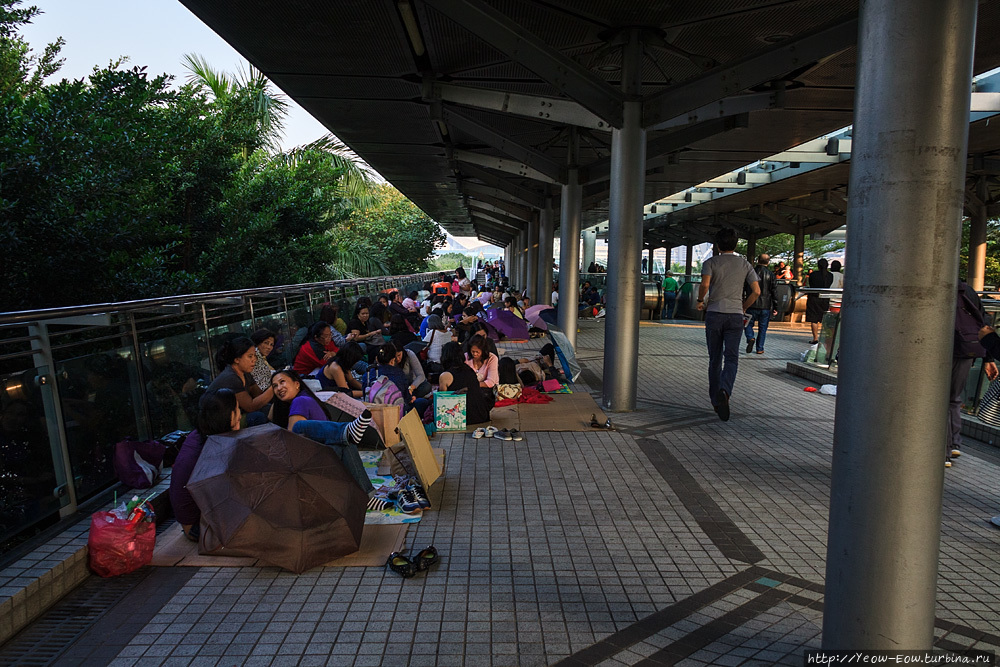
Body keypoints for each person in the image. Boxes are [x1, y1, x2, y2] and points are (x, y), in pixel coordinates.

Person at [269, 370, 378, 498]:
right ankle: (368, 494)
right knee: (345, 443)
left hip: (315, 463)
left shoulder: (300, 401)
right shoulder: (303, 399)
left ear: (297, 384)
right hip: (327, 458)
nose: (279, 388)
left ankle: (346, 432)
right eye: (275, 386)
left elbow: (293, 442)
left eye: (282, 382)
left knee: (298, 427)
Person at [697, 228, 760, 421]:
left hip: (715, 313)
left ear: (717, 245)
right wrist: (742, 307)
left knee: (715, 359)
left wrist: (701, 300)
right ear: (736, 244)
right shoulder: (745, 264)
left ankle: (716, 401)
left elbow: (705, 285)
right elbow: (756, 291)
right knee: (731, 358)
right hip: (735, 316)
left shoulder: (711, 262)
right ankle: (725, 390)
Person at [169, 388, 241, 541]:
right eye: (237, 409)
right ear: (228, 416)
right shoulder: (211, 450)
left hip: (196, 518)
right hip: (197, 526)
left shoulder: (202, 434)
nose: (240, 413)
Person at [948, 281, 999, 467]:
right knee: (953, 398)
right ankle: (953, 443)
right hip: (966, 348)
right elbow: (982, 321)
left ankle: (945, 449)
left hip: (939, 351)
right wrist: (988, 359)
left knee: (938, 399)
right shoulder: (966, 290)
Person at [205, 336, 275, 421]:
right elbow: (250, 406)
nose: (254, 360)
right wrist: (275, 386)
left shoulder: (245, 373)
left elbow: (258, 395)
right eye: (250, 356)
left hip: (238, 415)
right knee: (257, 417)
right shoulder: (231, 377)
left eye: (254, 356)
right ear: (237, 359)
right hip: (221, 421)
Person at [438, 342, 492, 424]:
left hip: (463, 417)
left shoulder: (445, 376)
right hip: (481, 415)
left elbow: (442, 400)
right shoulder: (469, 370)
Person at [744, 254, 779, 355]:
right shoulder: (771, 275)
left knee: (747, 324)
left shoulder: (750, 272)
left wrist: (743, 302)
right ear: (768, 262)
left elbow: (744, 288)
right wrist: (776, 306)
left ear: (757, 260)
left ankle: (750, 337)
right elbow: (774, 292)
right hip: (765, 305)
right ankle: (760, 348)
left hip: (751, 303)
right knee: (763, 328)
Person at [806, 258, 834, 344]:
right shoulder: (830, 275)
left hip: (814, 298)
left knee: (814, 319)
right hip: (825, 298)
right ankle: (826, 338)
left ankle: (815, 338)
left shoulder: (813, 275)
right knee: (824, 318)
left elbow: (810, 284)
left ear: (818, 266)